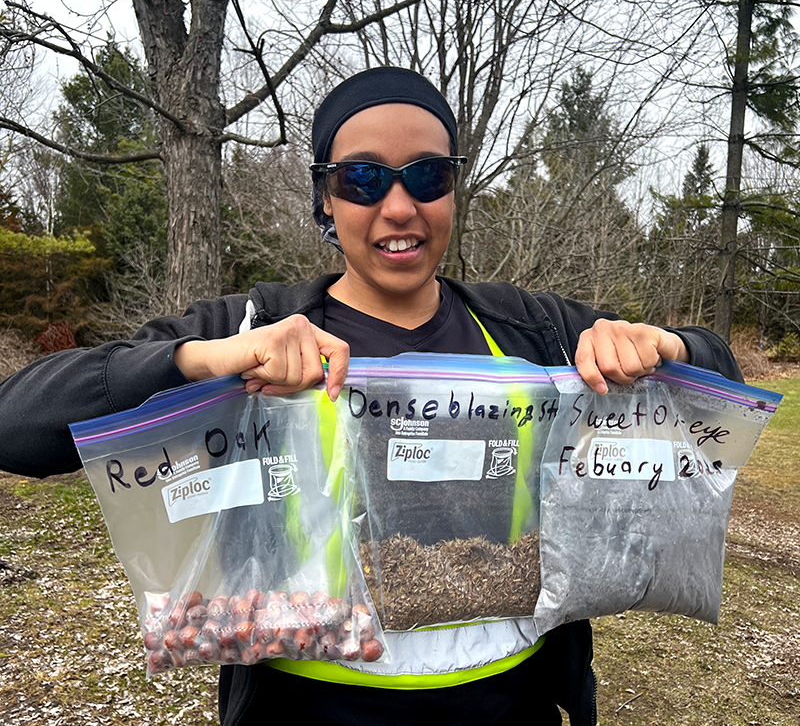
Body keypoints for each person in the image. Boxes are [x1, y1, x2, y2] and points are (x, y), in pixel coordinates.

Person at [0, 67, 742, 725]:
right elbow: (16, 424)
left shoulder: (531, 328)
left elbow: (724, 395)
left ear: (453, 189)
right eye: (362, 179)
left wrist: (667, 349)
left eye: (427, 177)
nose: (397, 206)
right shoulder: (251, 326)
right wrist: (197, 361)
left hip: (506, 703)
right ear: (325, 197)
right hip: (305, 706)